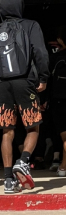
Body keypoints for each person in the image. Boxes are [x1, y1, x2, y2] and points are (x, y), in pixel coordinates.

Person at [0, 0, 50, 194]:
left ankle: (7, 180)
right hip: (25, 82)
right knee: (33, 127)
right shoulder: (31, 26)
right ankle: (23, 162)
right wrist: (44, 77)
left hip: (3, 85)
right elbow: (40, 52)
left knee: (7, 131)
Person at [49, 26, 66, 175]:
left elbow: (47, 78)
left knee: (62, 134)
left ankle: (63, 165)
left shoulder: (57, 58)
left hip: (59, 98)